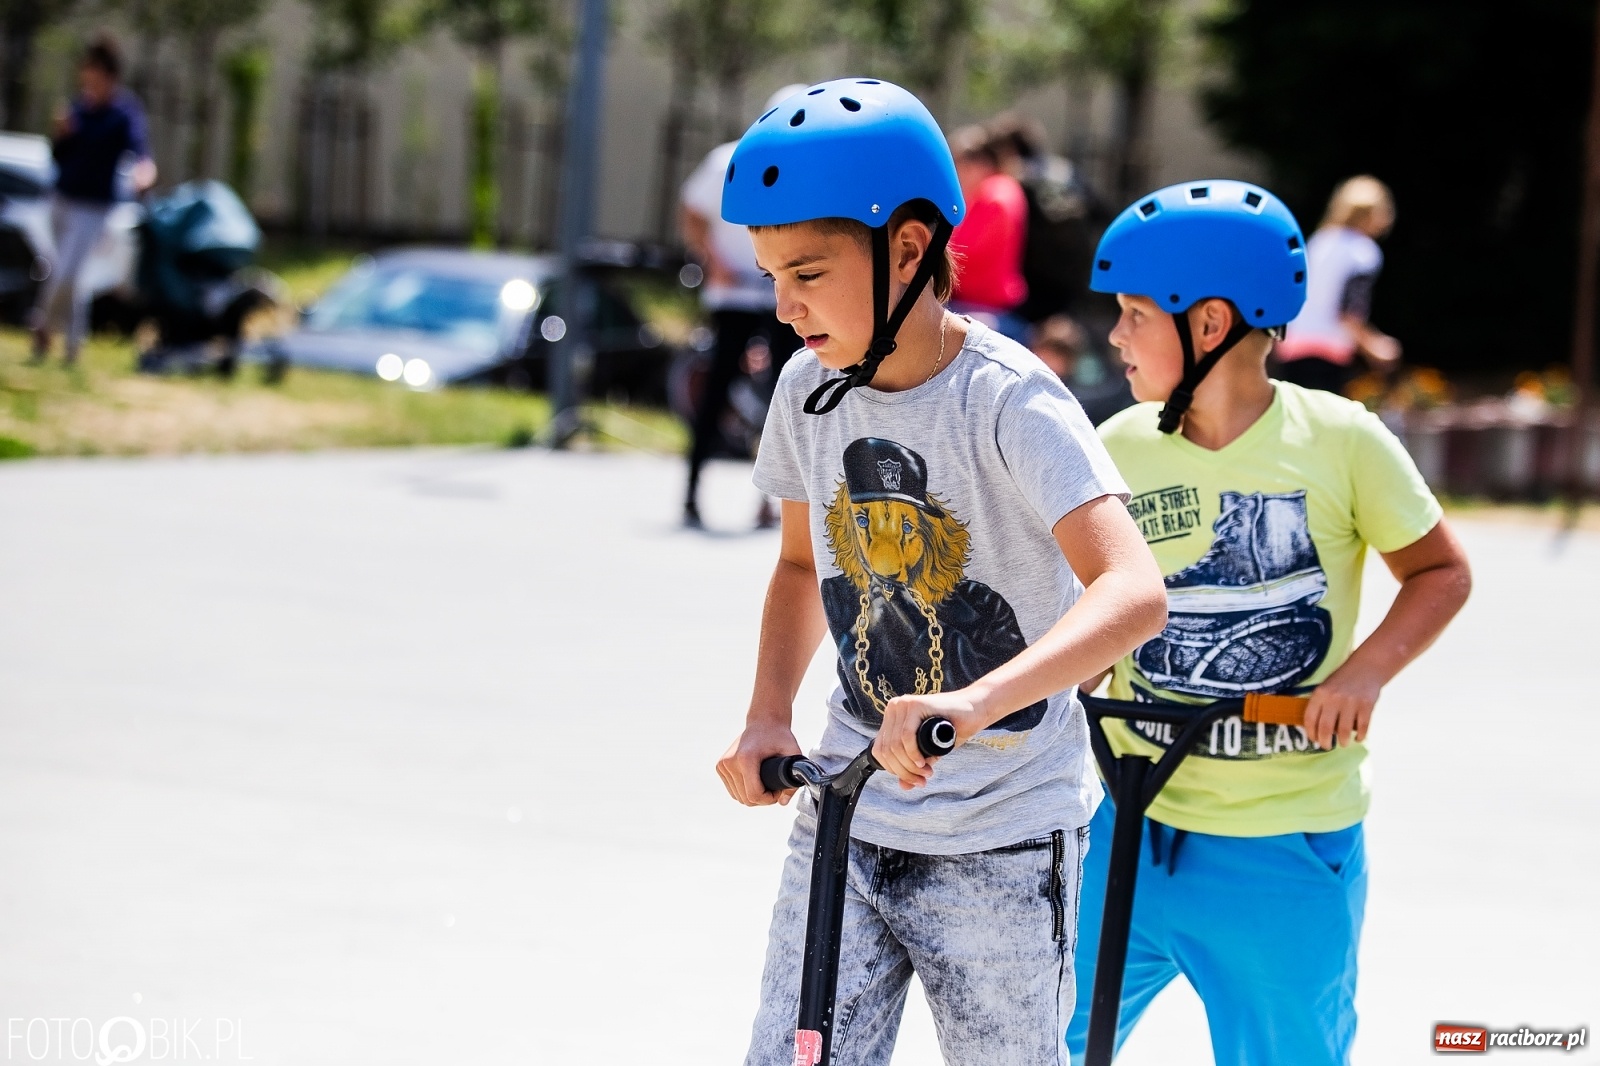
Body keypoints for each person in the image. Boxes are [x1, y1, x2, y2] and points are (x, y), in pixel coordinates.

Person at [713, 79, 1169, 1066]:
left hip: (1001, 843)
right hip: (844, 806)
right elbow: (800, 565)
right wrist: (765, 715)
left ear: (909, 248)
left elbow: (1133, 590)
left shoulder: (1008, 403)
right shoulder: (808, 388)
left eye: (807, 272)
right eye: (767, 273)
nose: (782, 304)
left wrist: (971, 702)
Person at [1065, 180, 1472, 1065]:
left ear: (1208, 325)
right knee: (1040, 1041)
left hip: (1284, 849)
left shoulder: (1343, 439)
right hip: (1130, 828)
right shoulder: (1120, 446)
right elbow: (1090, 611)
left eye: (1135, 313)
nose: (1116, 335)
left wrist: (1362, 673)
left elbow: (1440, 570)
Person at [679, 84, 807, 528]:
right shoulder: (728, 158)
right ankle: (692, 491)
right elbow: (692, 210)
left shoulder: (809, 165)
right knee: (716, 391)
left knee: (786, 395)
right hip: (734, 294)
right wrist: (713, 262)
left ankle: (774, 502)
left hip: (781, 294)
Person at [29, 34, 156, 366]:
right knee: (66, 274)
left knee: (68, 274)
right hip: (61, 199)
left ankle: (43, 324)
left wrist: (145, 172)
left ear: (108, 75)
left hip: (94, 207)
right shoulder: (78, 108)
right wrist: (62, 135)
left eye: (93, 72)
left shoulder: (123, 112)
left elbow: (140, 150)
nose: (87, 79)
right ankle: (72, 347)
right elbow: (59, 157)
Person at [1275, 175, 1400, 395]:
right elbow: (1349, 311)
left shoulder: (1319, 241)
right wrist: (1373, 346)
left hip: (1292, 345)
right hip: (1328, 351)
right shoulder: (1363, 252)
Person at [987, 112, 1102, 324]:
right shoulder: (1066, 169)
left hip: (1033, 283)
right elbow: (1099, 212)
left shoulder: (1013, 181)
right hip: (1073, 279)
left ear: (1007, 150)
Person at [945, 124, 1030, 342]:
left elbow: (964, 251)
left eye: (957, 164)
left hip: (988, 307)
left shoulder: (997, 195)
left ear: (979, 165)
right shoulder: (989, 192)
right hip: (974, 302)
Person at [1031, 314, 1134, 427]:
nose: (1052, 361)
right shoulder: (1021, 378)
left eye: (1063, 354)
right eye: (1049, 350)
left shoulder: (1077, 394)